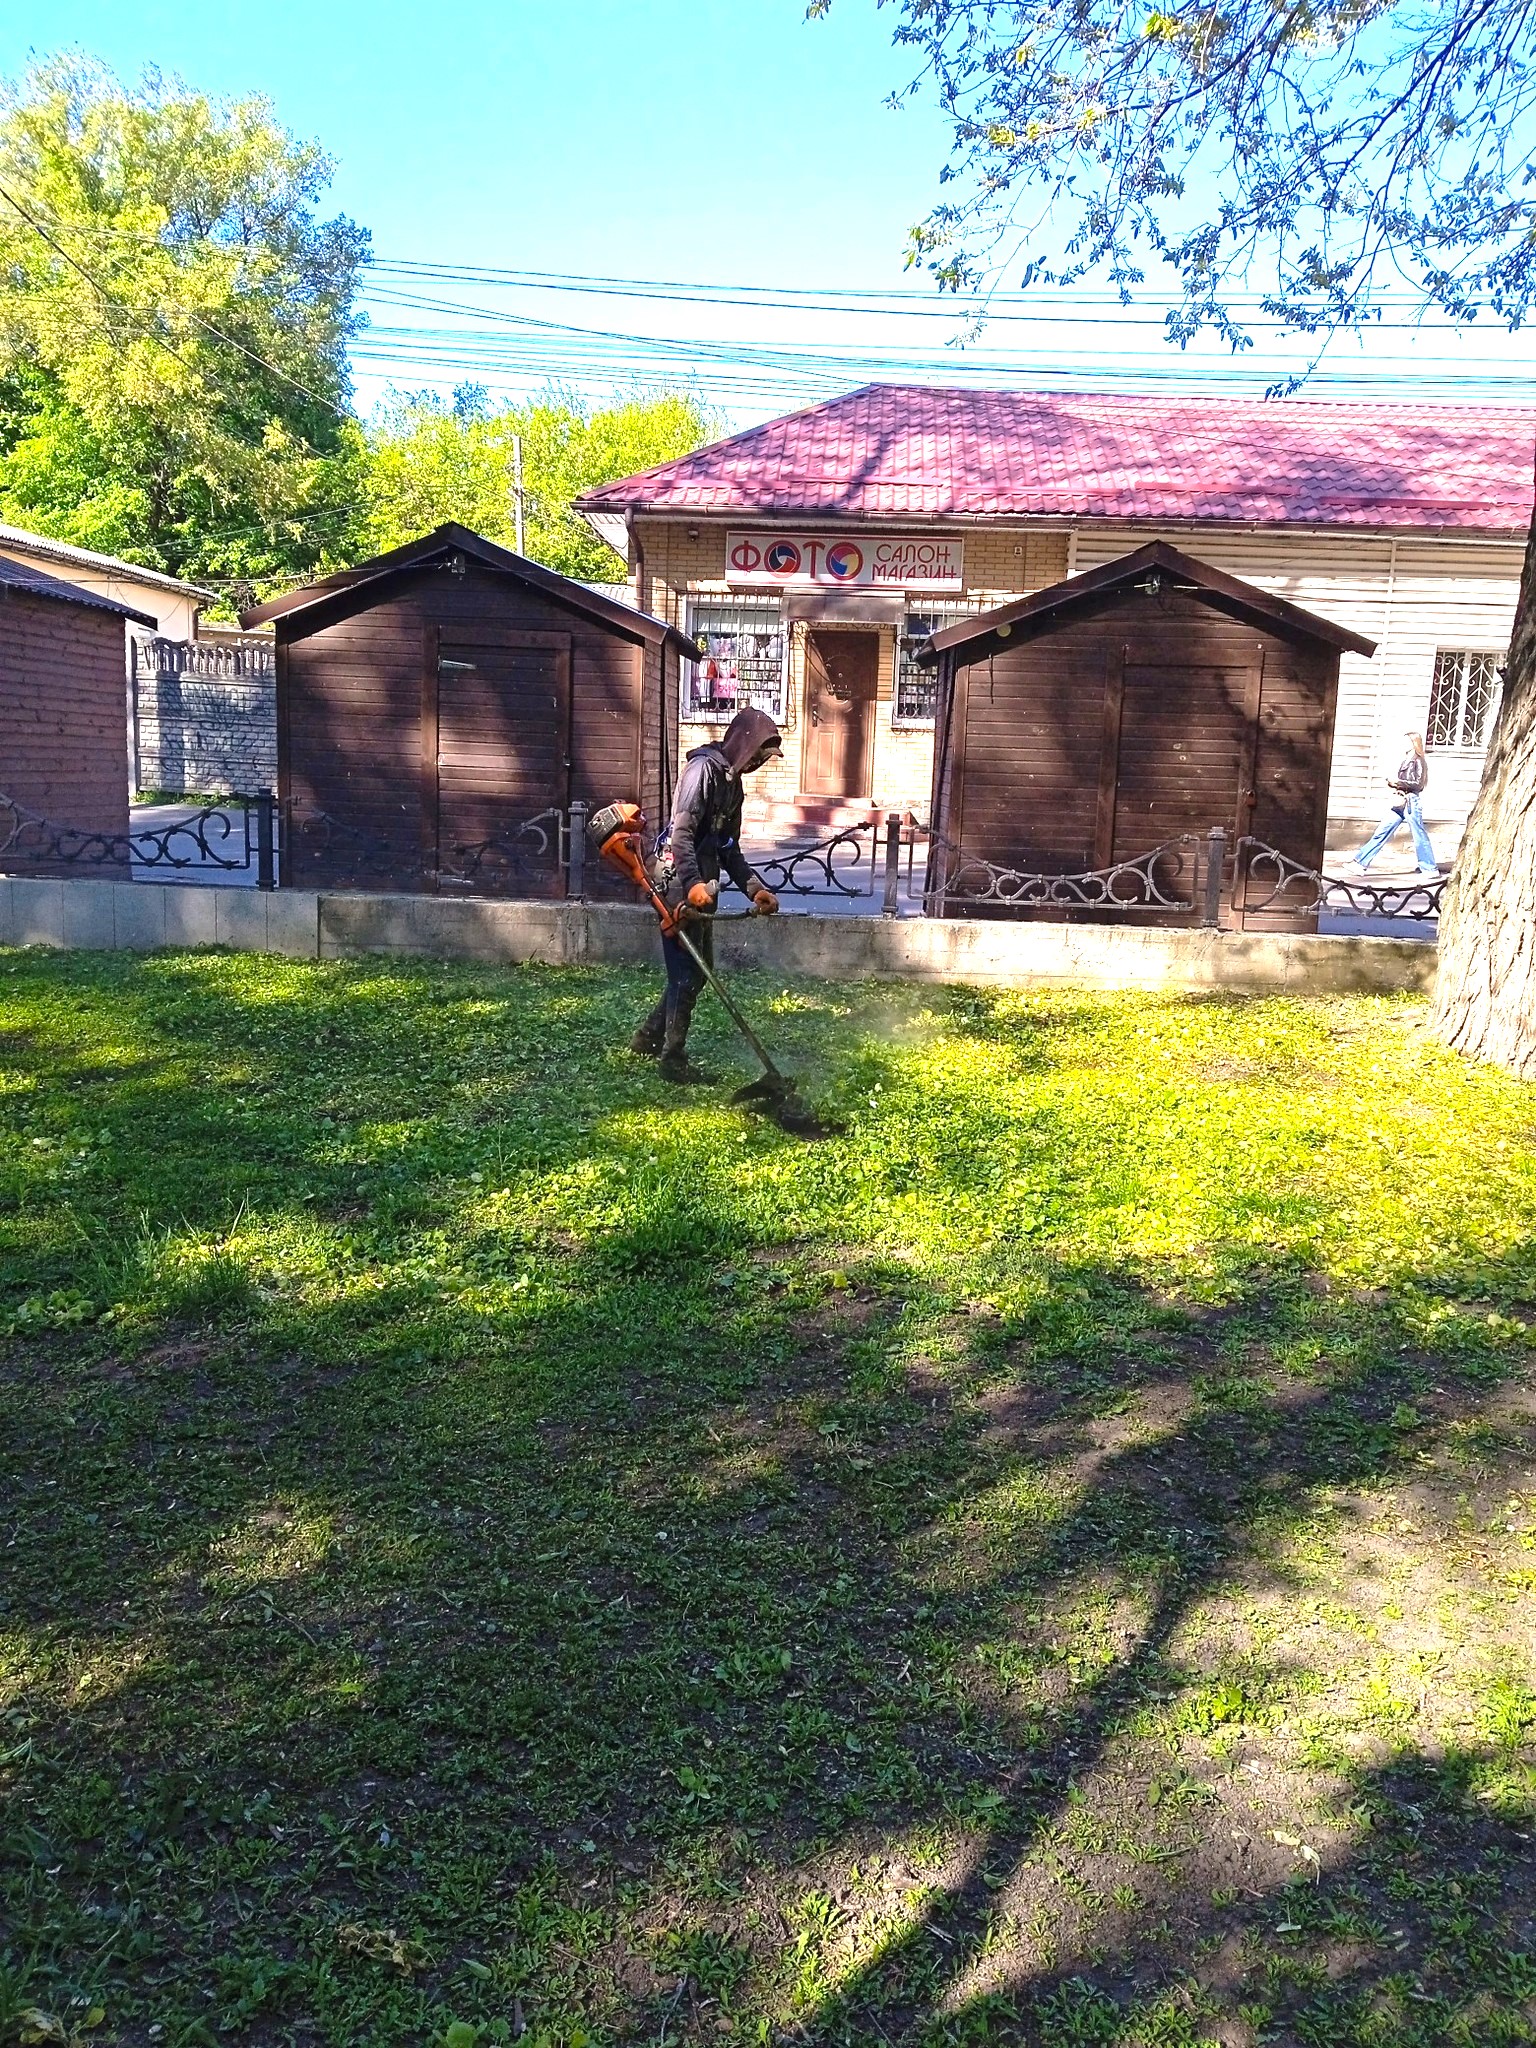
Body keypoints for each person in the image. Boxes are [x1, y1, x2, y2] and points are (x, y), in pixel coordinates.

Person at [631, 705, 783, 1084]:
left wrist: (755, 889)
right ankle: (672, 1060)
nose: (759, 764)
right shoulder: (702, 771)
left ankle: (648, 1038)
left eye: (764, 759)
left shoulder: (733, 785)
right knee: (686, 973)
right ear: (744, 744)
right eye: (759, 755)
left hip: (703, 884)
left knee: (698, 971)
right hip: (677, 883)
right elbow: (681, 834)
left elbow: (728, 847)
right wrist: (693, 884)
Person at [1343, 730, 1440, 878]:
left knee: (1419, 835)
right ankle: (1359, 863)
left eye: (1406, 741)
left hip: (1410, 802)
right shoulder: (1406, 760)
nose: (1403, 744)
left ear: (1414, 743)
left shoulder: (1419, 761)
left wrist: (1399, 782)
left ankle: (1430, 869)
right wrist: (1393, 784)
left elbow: (1419, 785)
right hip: (1400, 801)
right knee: (1382, 831)